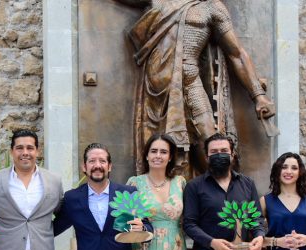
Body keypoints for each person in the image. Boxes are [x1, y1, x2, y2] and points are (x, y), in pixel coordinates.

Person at [113, 0, 276, 173]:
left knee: (209, 141)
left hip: (189, 82)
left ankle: (222, 187)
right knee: (159, 148)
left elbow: (236, 54)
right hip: (155, 90)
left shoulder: (212, 7)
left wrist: (258, 95)